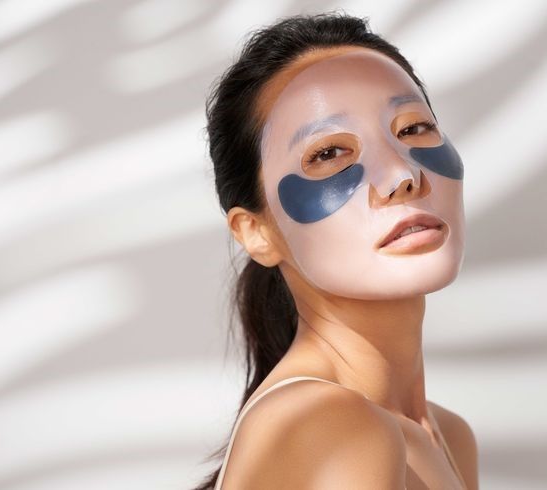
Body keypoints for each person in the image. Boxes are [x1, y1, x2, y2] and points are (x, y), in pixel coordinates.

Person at [193, 12, 478, 490]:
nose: (402, 175)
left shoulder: (448, 436)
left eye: (413, 128)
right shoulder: (333, 425)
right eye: (328, 154)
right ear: (256, 232)